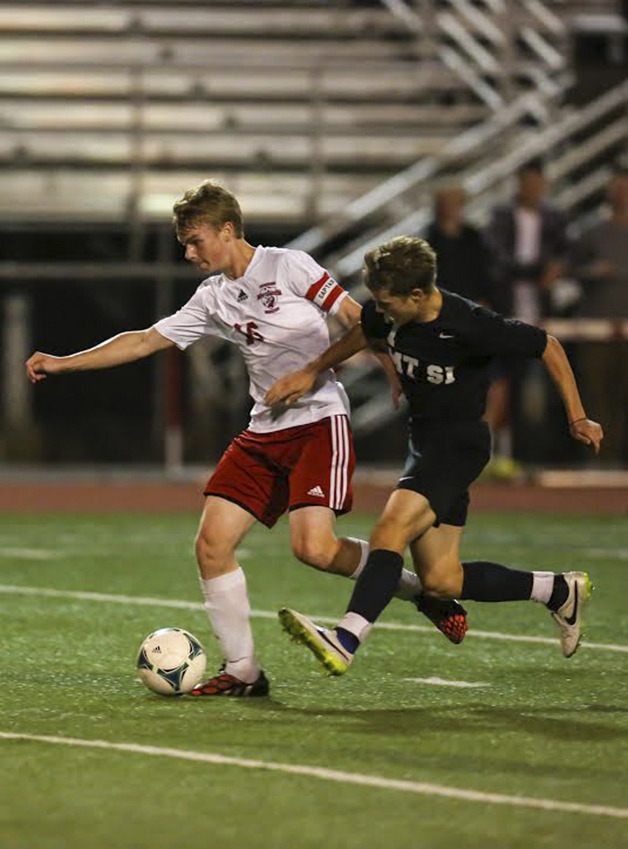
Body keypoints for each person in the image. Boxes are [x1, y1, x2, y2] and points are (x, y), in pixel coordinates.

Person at [25, 182, 467, 698]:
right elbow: (146, 340)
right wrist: (64, 362)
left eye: (194, 241)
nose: (189, 253)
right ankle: (243, 671)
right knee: (212, 545)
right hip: (265, 428)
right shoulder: (211, 297)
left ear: (227, 230)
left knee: (315, 549)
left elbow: (357, 318)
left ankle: (420, 593)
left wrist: (380, 367)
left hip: (319, 421)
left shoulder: (289, 266)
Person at [265, 236, 603, 676]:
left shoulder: (468, 323)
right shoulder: (386, 311)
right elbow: (365, 331)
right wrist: (312, 371)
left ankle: (346, 638)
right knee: (442, 582)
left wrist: (578, 418)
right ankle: (557, 590)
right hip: (424, 444)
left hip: (458, 446)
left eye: (389, 303)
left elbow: (548, 346)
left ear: (418, 295)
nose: (381, 310)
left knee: (390, 529)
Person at [571, 166, 628, 465]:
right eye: (615, 187)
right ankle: (600, 460)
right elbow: (567, 271)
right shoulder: (591, 231)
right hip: (595, 327)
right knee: (596, 397)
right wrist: (591, 272)